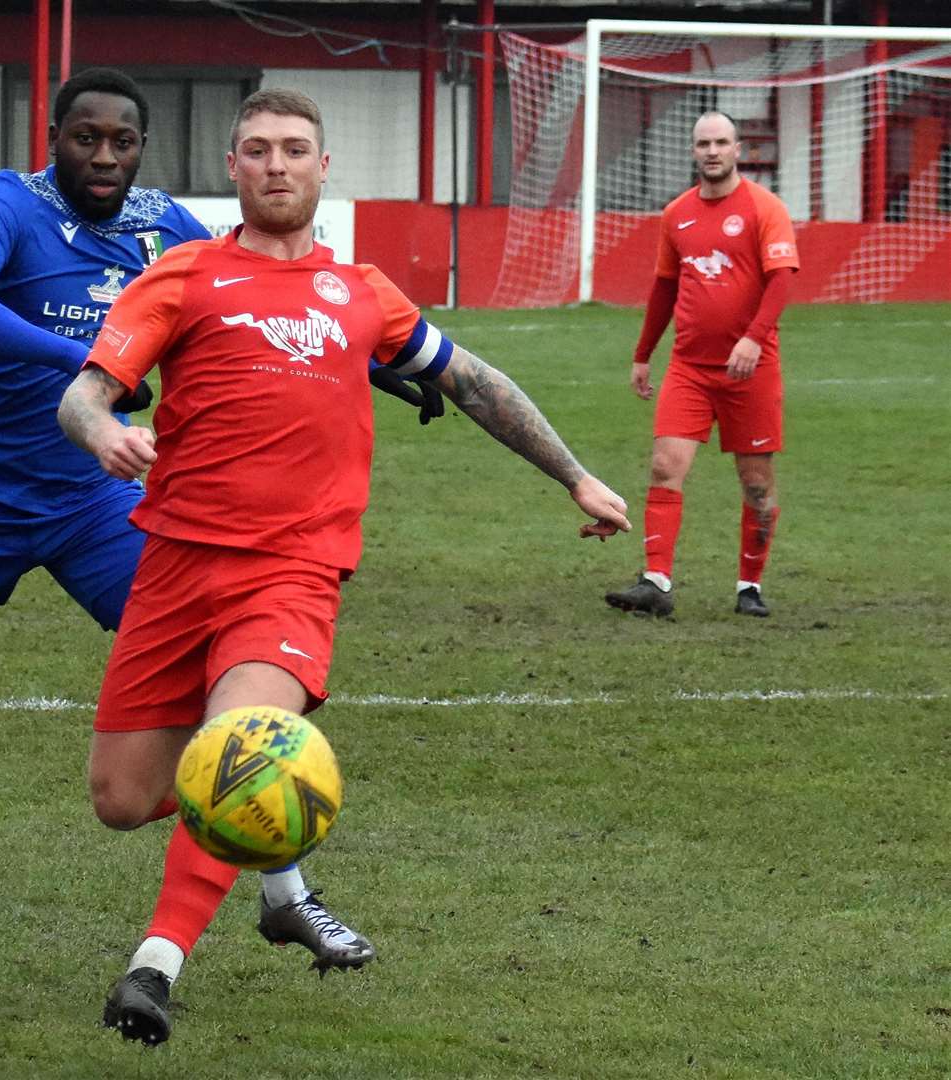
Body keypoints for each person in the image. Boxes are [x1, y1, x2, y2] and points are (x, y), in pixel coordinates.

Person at [0, 69, 429, 977]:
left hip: (98, 499)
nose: (104, 155)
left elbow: (265, 293)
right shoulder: (7, 203)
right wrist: (84, 353)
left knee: (230, 690)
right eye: (86, 138)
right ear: (54, 137)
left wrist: (383, 363)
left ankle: (285, 894)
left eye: (122, 141)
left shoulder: (163, 225)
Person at [57, 87, 631, 1046]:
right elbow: (84, 394)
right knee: (122, 800)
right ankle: (280, 870)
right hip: (174, 567)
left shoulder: (363, 293)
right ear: (231, 169)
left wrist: (574, 476)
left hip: (292, 572)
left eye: (294, 149)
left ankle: (152, 969)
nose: (276, 165)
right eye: (256, 150)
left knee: (239, 742)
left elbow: (473, 381)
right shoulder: (184, 277)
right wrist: (104, 431)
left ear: (325, 169)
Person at [605, 111, 799, 619]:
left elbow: (781, 280)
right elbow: (665, 287)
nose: (712, 151)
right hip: (689, 369)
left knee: (756, 483)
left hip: (751, 372)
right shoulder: (676, 215)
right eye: (702, 144)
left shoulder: (765, 208)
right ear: (693, 152)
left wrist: (753, 340)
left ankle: (749, 587)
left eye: (721, 142)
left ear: (738, 149)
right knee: (665, 466)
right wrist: (643, 354)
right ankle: (655, 581)